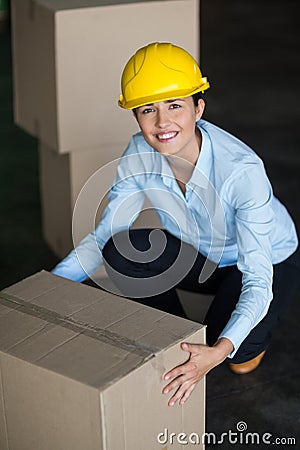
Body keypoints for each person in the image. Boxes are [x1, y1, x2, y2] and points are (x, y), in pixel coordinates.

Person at [52, 42, 299, 407]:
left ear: (198, 108)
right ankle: (178, 332)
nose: (162, 122)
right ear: (135, 115)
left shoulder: (241, 172)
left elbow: (258, 279)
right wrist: (49, 285)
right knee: (120, 252)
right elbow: (105, 232)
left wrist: (219, 351)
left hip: (268, 261)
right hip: (202, 255)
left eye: (174, 106)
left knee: (236, 358)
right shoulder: (139, 152)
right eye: (148, 109)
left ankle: (227, 333)